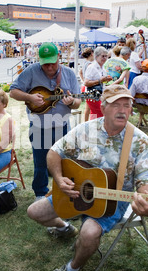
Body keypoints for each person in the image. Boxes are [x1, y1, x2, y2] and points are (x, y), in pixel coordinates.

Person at [27, 85, 148, 271]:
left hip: (112, 199)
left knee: (89, 233)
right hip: (75, 190)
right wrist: (59, 178)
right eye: (116, 105)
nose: (123, 110)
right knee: (34, 212)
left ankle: (70, 270)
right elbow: (54, 152)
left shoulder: (140, 141)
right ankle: (65, 228)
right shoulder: (86, 129)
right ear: (103, 108)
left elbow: (146, 183)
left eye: (127, 105)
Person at [10, 42, 81, 200]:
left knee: (64, 162)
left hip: (62, 126)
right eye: (45, 64)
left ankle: (64, 192)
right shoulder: (31, 71)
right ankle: (40, 193)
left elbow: (78, 101)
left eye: (52, 63)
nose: (49, 67)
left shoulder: (69, 73)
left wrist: (72, 102)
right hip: (39, 126)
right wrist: (29, 97)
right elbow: (13, 91)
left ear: (59, 58)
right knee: (41, 162)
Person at [83, 46, 113, 120]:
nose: (105, 58)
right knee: (98, 113)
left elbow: (101, 81)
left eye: (106, 56)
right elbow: (86, 83)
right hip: (92, 94)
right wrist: (100, 80)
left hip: (97, 94)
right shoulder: (92, 67)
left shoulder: (102, 67)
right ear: (96, 56)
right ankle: (94, 128)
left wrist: (106, 80)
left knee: (96, 113)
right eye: (103, 56)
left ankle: (93, 128)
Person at [79, 47, 94, 122]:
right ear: (92, 53)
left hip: (84, 86)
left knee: (87, 107)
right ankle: (88, 122)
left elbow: (80, 72)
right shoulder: (90, 64)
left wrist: (83, 80)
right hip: (89, 87)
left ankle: (85, 122)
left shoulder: (85, 63)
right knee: (91, 107)